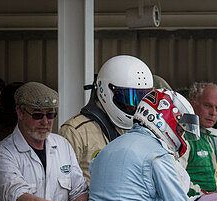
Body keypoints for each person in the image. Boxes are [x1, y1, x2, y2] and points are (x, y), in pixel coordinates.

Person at [59, 54, 153, 185]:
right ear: (104, 90)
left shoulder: (144, 130)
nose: (134, 106)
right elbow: (63, 182)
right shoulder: (75, 131)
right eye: (128, 99)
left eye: (140, 99)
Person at [186, 81, 217, 193]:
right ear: (192, 103)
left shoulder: (209, 138)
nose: (213, 112)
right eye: (207, 106)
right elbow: (176, 182)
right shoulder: (183, 137)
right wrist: (207, 196)